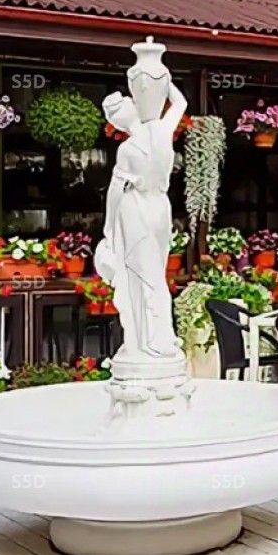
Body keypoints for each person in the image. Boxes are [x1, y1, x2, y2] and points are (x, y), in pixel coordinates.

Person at [95, 80, 187, 361]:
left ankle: (150, 339)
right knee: (155, 273)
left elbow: (115, 192)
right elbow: (181, 103)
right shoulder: (161, 129)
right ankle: (157, 336)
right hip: (160, 208)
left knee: (142, 276)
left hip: (137, 208)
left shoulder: (128, 149)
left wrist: (109, 228)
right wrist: (163, 81)